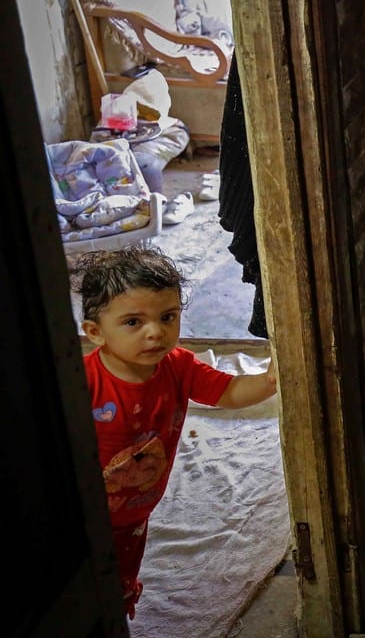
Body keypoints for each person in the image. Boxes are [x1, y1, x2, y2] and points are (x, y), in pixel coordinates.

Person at [72, 245, 278, 620]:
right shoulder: (81, 381)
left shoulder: (178, 365)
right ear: (95, 332)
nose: (156, 332)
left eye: (168, 317)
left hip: (135, 512)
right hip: (81, 514)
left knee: (120, 579)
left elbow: (227, 392)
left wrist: (268, 381)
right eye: (133, 322)